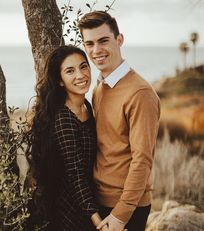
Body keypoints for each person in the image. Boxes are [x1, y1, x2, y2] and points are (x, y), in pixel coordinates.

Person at [78, 11, 160, 231]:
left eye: (103, 40)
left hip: (126, 207)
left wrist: (121, 215)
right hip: (100, 199)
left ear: (119, 39)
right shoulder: (99, 87)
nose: (96, 50)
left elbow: (142, 159)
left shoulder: (140, 93)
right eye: (90, 43)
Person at [30, 45, 108, 231]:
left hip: (86, 202)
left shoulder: (86, 107)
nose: (80, 75)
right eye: (70, 71)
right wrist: (99, 223)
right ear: (60, 81)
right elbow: (76, 175)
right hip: (68, 212)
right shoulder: (64, 118)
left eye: (83, 66)